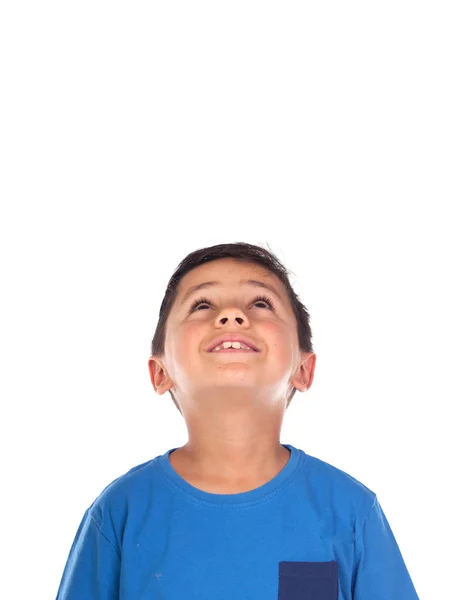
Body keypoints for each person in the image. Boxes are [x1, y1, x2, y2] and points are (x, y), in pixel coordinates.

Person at [55, 242, 420, 599]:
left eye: (261, 303)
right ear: (159, 372)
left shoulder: (351, 511)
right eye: (202, 304)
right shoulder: (120, 511)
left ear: (304, 369)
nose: (231, 316)